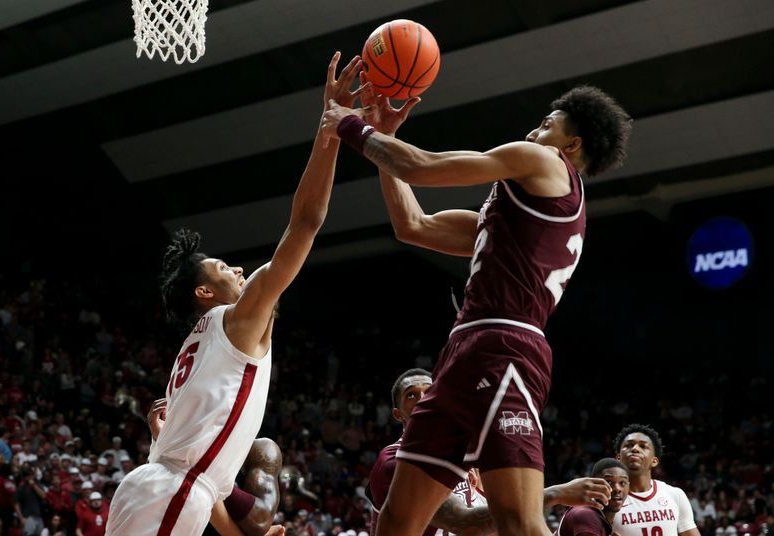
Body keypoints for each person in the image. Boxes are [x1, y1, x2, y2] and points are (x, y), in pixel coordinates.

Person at [321, 75, 632, 536]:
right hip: (463, 354)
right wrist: (385, 140)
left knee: (519, 523)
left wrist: (352, 126)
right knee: (397, 523)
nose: (533, 132)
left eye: (547, 123)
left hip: (505, 345)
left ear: (572, 142)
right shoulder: (515, 214)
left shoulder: (543, 161)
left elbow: (423, 168)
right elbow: (414, 226)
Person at [105, 52, 366, 536]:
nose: (239, 268)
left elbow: (206, 482)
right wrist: (330, 130)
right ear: (205, 291)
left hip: (165, 491)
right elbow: (306, 223)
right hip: (169, 493)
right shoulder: (237, 320)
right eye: (225, 267)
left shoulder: (194, 353)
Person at [367, 369, 616, 536]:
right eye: (411, 395)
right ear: (398, 414)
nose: (422, 398)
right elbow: (465, 522)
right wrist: (557, 493)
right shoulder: (394, 462)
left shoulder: (461, 455)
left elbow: (495, 514)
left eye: (429, 391)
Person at [146, 397, 285, 536]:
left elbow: (260, 520)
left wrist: (186, 458)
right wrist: (166, 448)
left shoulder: (259, 449)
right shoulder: (176, 441)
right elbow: (152, 499)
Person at [612, 424, 700, 536]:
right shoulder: (607, 499)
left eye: (643, 446)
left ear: (654, 461)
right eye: (629, 445)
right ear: (618, 458)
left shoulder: (675, 494)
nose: (635, 449)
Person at [556, 458, 630, 536]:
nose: (617, 489)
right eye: (609, 482)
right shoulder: (585, 514)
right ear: (593, 484)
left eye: (622, 483)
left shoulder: (598, 516)